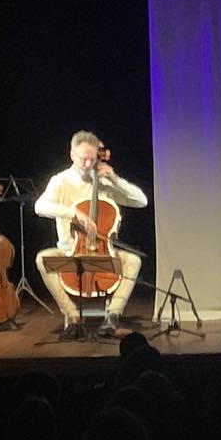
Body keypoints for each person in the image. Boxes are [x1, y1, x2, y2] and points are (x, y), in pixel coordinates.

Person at [34, 131, 148, 339]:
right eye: (82, 158)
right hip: (70, 253)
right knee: (42, 259)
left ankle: (112, 317)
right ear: (72, 155)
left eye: (92, 159)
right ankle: (73, 316)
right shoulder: (60, 181)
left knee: (133, 261)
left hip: (104, 253)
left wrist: (115, 179)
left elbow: (141, 201)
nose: (87, 164)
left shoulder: (104, 182)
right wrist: (73, 213)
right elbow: (40, 206)